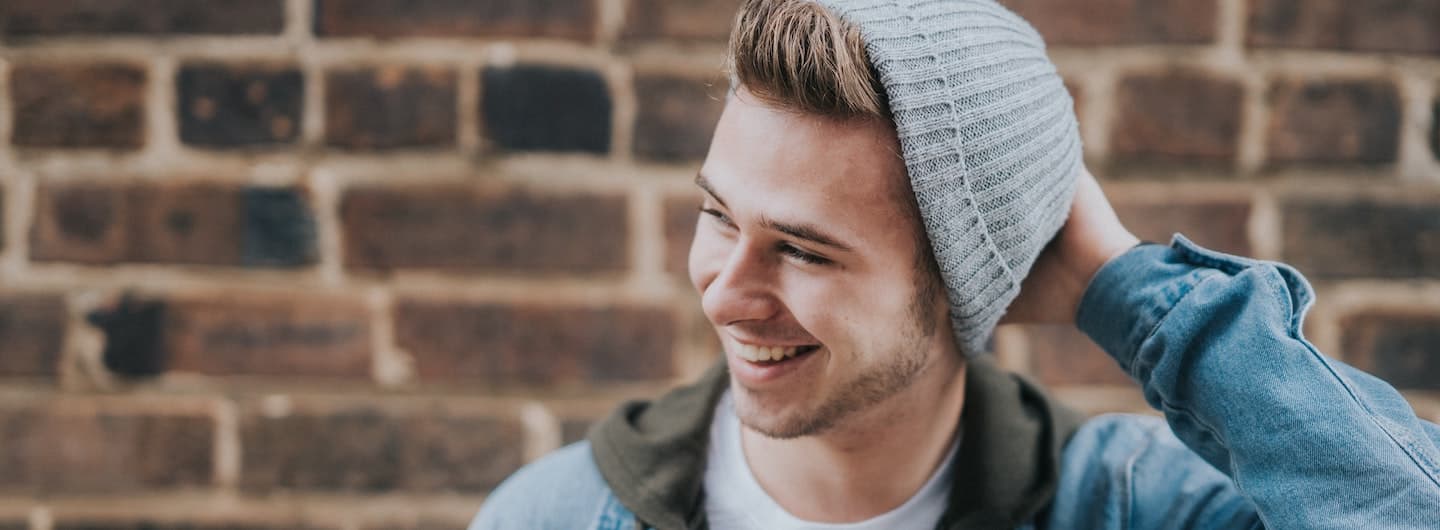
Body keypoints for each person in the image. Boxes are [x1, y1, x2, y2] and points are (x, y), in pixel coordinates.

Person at [471, 0, 1440, 528]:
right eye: (718, 216)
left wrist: (1125, 283)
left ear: (968, 279)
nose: (726, 291)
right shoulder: (558, 512)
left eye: (805, 249)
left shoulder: (1137, 505)